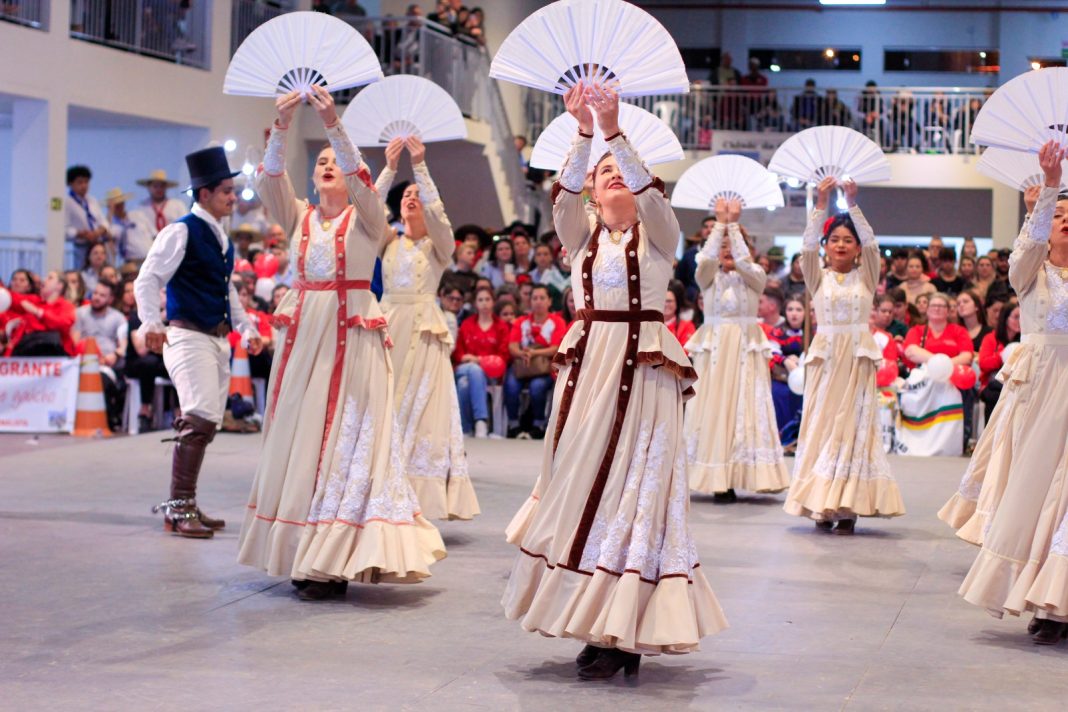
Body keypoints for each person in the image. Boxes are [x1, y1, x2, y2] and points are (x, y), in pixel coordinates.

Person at [502, 83, 726, 679]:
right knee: (582, 488)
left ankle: (623, 631)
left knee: (636, 491)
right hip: (590, 374)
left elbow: (655, 201)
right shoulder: (581, 239)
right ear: (594, 195)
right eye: (602, 174)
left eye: (621, 171)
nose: (612, 177)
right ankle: (589, 618)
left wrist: (615, 128)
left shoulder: (660, 238)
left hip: (645, 375)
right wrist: (584, 133)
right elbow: (560, 204)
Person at [236, 87, 445, 597]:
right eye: (322, 161)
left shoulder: (368, 218)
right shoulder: (299, 216)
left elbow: (361, 181)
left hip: (351, 336)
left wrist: (333, 122)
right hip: (305, 335)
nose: (329, 165)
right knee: (299, 438)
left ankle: (333, 555)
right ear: (310, 175)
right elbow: (268, 182)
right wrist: (283, 124)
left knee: (344, 441)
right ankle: (301, 547)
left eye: (336, 161)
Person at [956, 144, 1068, 644]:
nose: (1066, 220)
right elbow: (1024, 251)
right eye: (1060, 214)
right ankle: (1032, 592)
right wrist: (1048, 188)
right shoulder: (1031, 275)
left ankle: (1059, 596)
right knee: (1036, 490)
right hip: (1042, 389)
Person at [134, 145, 264, 539]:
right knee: (200, 416)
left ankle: (185, 502)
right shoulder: (180, 231)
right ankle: (178, 506)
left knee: (205, 423)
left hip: (216, 339)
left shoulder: (220, 236)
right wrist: (150, 323)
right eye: (225, 190)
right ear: (203, 193)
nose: (232, 196)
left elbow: (226, 292)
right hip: (187, 335)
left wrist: (248, 327)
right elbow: (147, 279)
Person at [784, 177, 906, 533]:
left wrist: (852, 204)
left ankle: (848, 503)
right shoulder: (816, 277)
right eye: (834, 239)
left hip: (856, 360)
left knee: (853, 428)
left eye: (847, 240)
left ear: (856, 248)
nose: (841, 244)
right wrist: (821, 204)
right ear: (826, 246)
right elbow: (806, 250)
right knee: (822, 426)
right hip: (825, 362)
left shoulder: (867, 277)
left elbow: (873, 248)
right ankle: (820, 503)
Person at [374, 135, 480, 522]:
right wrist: (389, 169)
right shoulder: (388, 241)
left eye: (418, 194)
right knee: (385, 408)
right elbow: (367, 214)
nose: (411, 197)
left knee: (424, 413)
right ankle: (385, 489)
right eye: (406, 195)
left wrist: (420, 167)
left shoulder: (438, 246)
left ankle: (422, 499)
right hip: (388, 328)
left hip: (423, 333)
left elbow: (441, 222)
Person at [684, 199, 789, 502]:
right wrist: (721, 224)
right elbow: (703, 262)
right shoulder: (708, 276)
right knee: (714, 406)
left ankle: (742, 473)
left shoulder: (753, 275)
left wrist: (734, 227)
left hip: (744, 346)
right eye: (723, 244)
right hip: (716, 347)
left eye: (734, 243)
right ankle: (716, 476)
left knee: (745, 406)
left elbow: (748, 267)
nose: (727, 249)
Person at [505, 284, 564, 439]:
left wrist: (534, 353)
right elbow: (512, 347)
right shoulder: (520, 322)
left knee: (537, 387)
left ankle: (538, 424)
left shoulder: (557, 322)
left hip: (544, 367)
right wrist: (523, 354)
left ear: (549, 301)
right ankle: (513, 424)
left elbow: (556, 348)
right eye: (535, 298)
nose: (538, 301)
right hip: (523, 363)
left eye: (542, 298)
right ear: (530, 301)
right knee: (511, 385)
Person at [454, 285, 510, 437]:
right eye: (480, 300)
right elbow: (459, 354)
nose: (484, 303)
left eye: (487, 299)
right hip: (465, 368)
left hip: (491, 372)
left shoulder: (501, 326)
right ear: (475, 303)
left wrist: (477, 359)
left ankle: (466, 428)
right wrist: (477, 362)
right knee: (473, 370)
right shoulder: (467, 324)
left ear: (493, 302)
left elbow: (503, 356)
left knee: (464, 384)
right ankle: (481, 421)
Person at [73, 280, 128, 430]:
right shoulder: (80, 313)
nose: (96, 297)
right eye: (95, 293)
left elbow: (123, 345)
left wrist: (115, 355)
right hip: (83, 362)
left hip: (107, 365)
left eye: (102, 295)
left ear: (110, 299)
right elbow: (74, 340)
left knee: (101, 379)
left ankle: (106, 422)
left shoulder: (118, 318)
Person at [3, 270, 77, 357]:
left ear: (59, 286)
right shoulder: (35, 301)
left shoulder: (66, 306)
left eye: (50, 278)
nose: (44, 279)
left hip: (55, 357)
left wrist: (38, 313)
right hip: (24, 354)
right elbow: (11, 297)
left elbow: (63, 323)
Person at [770, 294, 806, 437]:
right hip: (783, 378)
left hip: (806, 379)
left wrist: (802, 360)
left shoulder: (813, 332)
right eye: (790, 309)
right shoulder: (778, 331)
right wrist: (786, 360)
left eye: (798, 309)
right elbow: (772, 351)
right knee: (778, 392)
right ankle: (782, 436)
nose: (794, 314)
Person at [977, 302, 1020, 421]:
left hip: (1017, 383)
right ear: (1005, 318)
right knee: (995, 393)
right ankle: (990, 436)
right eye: (1016, 317)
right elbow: (984, 364)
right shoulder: (991, 338)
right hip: (993, 383)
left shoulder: (1024, 340)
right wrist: (1003, 355)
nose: (1020, 321)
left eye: (1022, 317)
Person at [65, 165, 110, 269]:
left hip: (97, 243)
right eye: (80, 182)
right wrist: (80, 233)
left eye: (86, 182)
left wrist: (98, 232)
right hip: (82, 245)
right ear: (70, 183)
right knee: (82, 270)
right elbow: (65, 229)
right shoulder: (67, 202)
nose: (84, 186)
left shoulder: (92, 200)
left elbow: (103, 221)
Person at [132, 169, 187, 241]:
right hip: (150, 247)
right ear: (149, 188)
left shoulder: (178, 205)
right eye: (155, 186)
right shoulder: (141, 208)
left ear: (166, 188)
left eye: (162, 186)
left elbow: (185, 226)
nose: (159, 189)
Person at [675, 216, 715, 304]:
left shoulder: (724, 254)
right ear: (701, 231)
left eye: (713, 227)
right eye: (706, 227)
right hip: (692, 301)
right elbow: (679, 278)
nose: (709, 230)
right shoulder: (689, 255)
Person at [663, 281, 695, 347]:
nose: (665, 304)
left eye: (669, 301)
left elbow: (686, 352)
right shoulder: (651, 326)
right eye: (663, 301)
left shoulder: (687, 326)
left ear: (677, 303)